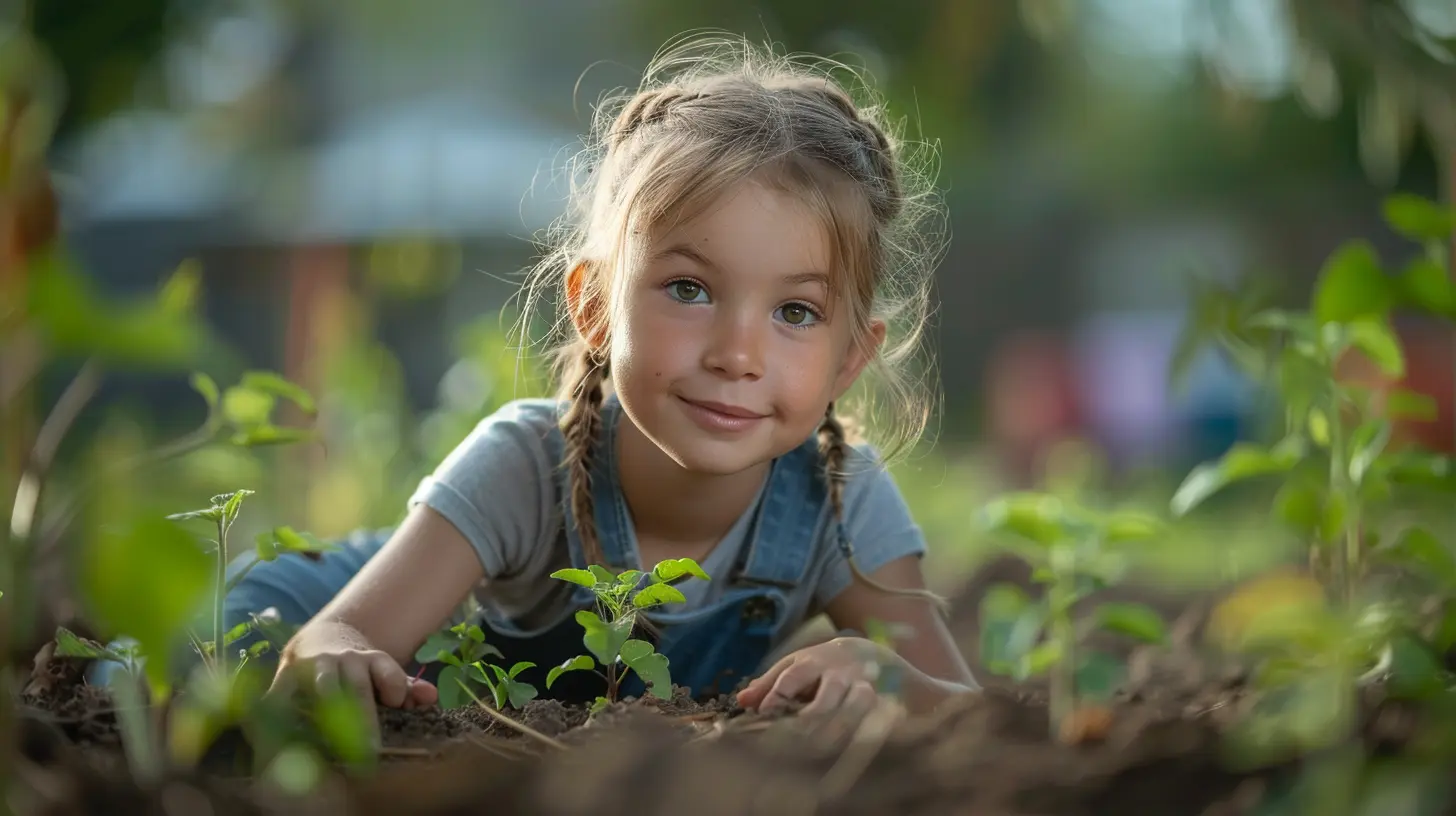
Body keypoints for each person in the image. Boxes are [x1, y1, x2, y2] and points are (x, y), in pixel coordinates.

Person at [228, 34, 979, 732]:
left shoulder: (842, 502)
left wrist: (883, 671)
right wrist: (334, 653)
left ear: (849, 359)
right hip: (291, 610)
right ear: (594, 307)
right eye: (689, 290)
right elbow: (335, 635)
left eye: (795, 311)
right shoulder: (523, 463)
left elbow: (974, 713)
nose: (736, 355)